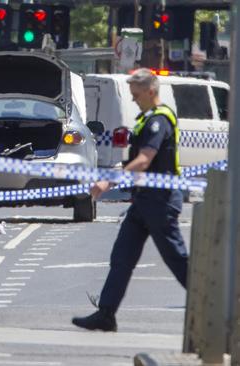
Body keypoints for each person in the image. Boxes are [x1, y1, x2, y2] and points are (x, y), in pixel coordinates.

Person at [71, 68, 189, 332]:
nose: (134, 100)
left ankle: (210, 303)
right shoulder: (146, 118)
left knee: (177, 259)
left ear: (151, 91)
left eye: (136, 95)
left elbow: (145, 159)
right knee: (122, 256)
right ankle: (106, 314)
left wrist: (109, 181)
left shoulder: (160, 121)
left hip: (160, 201)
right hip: (143, 201)